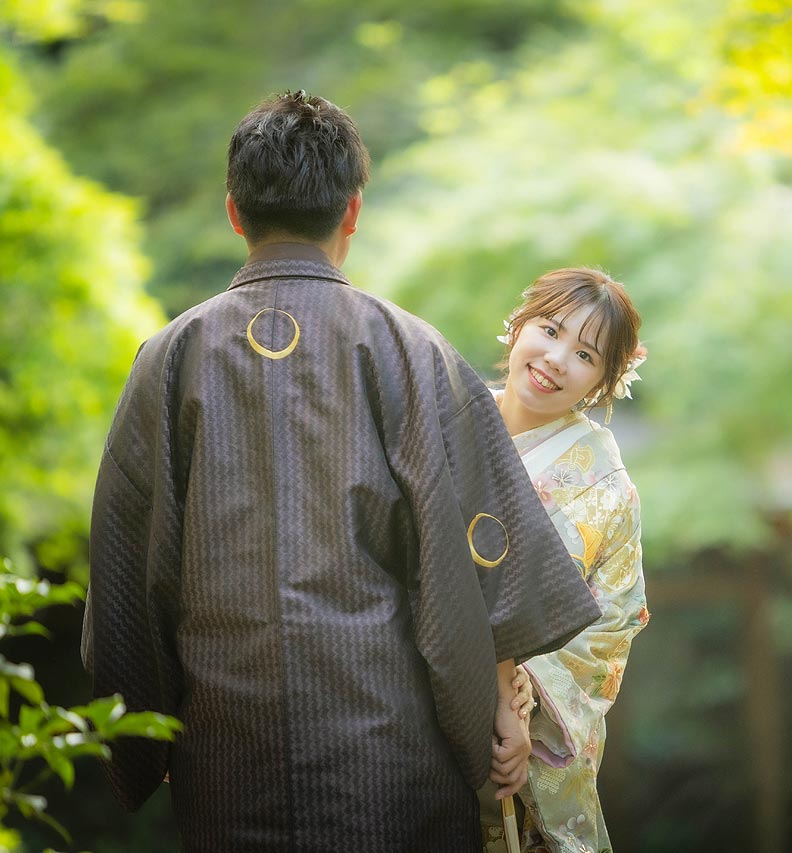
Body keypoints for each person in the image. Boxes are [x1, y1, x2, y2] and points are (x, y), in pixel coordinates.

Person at [80, 91, 600, 853]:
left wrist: (143, 733)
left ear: (233, 212)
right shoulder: (411, 351)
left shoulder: (170, 357)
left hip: (230, 759)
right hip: (391, 758)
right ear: (352, 211)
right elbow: (483, 550)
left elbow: (128, 569)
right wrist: (498, 700)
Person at [479, 268, 650, 853]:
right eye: (549, 330)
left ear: (605, 381)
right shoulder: (448, 424)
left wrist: (524, 688)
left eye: (585, 355)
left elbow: (613, 622)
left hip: (517, 722)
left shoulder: (606, 487)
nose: (555, 359)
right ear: (518, 326)